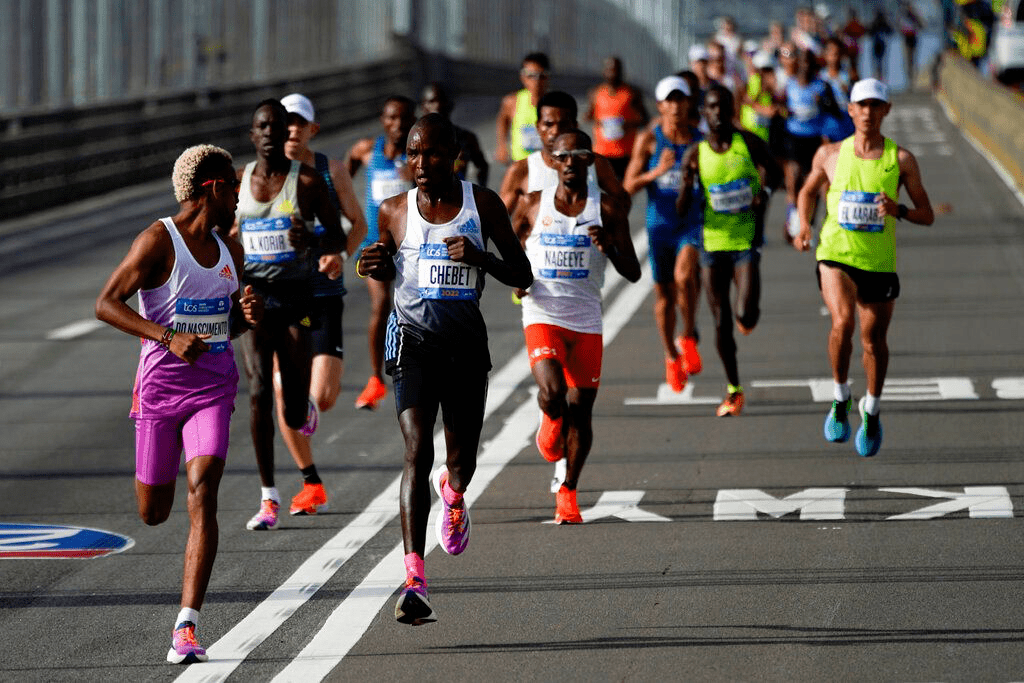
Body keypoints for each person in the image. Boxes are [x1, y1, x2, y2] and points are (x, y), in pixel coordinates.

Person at [357, 114, 533, 625]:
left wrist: (481, 257)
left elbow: (521, 274)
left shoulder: (484, 205)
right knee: (416, 447)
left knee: (461, 462)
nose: (420, 164)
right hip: (412, 341)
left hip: (464, 347)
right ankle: (415, 579)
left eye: (431, 154)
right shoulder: (394, 209)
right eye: (413, 154)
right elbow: (384, 263)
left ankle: (453, 493)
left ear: (453, 154)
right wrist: (373, 264)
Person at [95, 144, 263, 663]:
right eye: (234, 186)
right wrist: (166, 337)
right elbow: (106, 303)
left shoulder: (230, 250)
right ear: (212, 187)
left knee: (204, 485)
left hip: (214, 384)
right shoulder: (157, 240)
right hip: (160, 389)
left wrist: (245, 314)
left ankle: (186, 625)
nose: (241, 196)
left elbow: (224, 323)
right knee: (153, 511)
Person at [794, 78, 934, 456]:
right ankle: (840, 396)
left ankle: (870, 408)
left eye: (876, 105)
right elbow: (807, 191)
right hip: (836, 253)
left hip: (878, 262)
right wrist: (803, 224)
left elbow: (927, 215)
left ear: (886, 110)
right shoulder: (829, 154)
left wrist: (899, 210)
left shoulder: (900, 160)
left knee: (873, 343)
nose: (868, 112)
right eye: (862, 105)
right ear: (851, 111)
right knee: (843, 323)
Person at [511, 130, 640, 522]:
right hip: (543, 313)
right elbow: (511, 245)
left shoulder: (609, 209)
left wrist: (611, 248)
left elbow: (633, 272)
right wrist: (517, 277)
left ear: (589, 161)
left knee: (582, 411)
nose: (569, 162)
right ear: (551, 161)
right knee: (552, 392)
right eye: (561, 156)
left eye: (577, 155)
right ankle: (550, 417)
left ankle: (568, 490)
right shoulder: (534, 204)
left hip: (586, 319)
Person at [233, 99, 345, 531]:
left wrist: (311, 238)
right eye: (259, 127)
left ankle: (304, 414)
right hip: (256, 299)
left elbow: (335, 234)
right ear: (252, 135)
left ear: (285, 135)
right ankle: (269, 497)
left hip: (298, 300)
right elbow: (223, 229)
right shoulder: (240, 180)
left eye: (274, 127)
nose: (267, 134)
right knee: (260, 389)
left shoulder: (308, 182)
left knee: (296, 411)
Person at [278, 93, 368, 514]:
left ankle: (306, 409)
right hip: (280, 296)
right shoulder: (261, 176)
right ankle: (310, 481)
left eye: (299, 123)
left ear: (312, 129)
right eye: (285, 122)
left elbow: (359, 223)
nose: (292, 129)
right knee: (282, 388)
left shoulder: (330, 171)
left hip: (325, 293)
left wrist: (342, 256)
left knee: (323, 398)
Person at [676, 85, 782, 417]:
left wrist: (762, 192)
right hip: (713, 244)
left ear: (731, 110)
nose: (718, 113)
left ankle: (747, 317)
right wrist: (686, 183)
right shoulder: (695, 154)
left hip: (746, 241)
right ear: (703, 113)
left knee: (745, 314)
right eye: (711, 108)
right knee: (721, 319)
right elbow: (682, 210)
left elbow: (775, 174)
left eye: (723, 107)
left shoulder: (748, 143)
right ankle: (733, 389)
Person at [624, 76, 704, 394]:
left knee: (685, 278)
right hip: (659, 227)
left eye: (680, 99)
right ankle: (671, 356)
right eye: (668, 101)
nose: (675, 106)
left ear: (688, 103)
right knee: (664, 297)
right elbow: (627, 186)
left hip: (691, 224)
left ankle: (687, 335)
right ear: (659, 106)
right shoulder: (649, 139)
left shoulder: (701, 139)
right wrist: (656, 173)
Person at [346, 96, 417, 410]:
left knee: (409, 312)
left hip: (410, 248)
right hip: (373, 246)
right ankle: (375, 379)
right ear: (382, 119)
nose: (398, 125)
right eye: (391, 118)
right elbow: (338, 180)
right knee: (380, 305)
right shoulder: (366, 150)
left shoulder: (416, 157)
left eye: (404, 119)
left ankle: (410, 370)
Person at [500, 90, 630, 218]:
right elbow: (498, 219)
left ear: (575, 126)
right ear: (538, 126)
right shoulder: (521, 170)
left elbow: (622, 200)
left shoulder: (595, 163)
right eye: (548, 124)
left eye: (563, 124)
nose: (555, 131)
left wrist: (610, 231)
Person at [782, 48, 840, 243]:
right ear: (797, 63)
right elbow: (779, 105)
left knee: (812, 184)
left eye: (809, 62)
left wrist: (822, 102)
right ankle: (792, 219)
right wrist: (783, 110)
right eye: (802, 61)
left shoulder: (822, 86)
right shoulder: (788, 84)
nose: (805, 66)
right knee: (793, 180)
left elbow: (834, 110)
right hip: (793, 137)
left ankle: (808, 224)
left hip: (815, 138)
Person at [584, 56, 649, 179]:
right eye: (609, 69)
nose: (613, 73)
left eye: (616, 69)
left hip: (625, 153)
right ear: (604, 71)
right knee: (603, 193)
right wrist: (599, 122)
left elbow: (645, 120)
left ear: (621, 71)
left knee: (623, 191)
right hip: (602, 153)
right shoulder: (595, 93)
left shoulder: (632, 93)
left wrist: (628, 125)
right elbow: (589, 116)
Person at [420, 82, 490, 187]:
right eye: (432, 101)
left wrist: (481, 190)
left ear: (450, 104)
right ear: (423, 106)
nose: (438, 106)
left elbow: (482, 165)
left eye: (442, 100)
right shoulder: (414, 139)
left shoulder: (465, 137)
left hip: (456, 199)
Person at [495, 52, 551, 164]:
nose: (536, 81)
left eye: (541, 76)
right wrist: (501, 145)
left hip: (547, 164)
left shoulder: (555, 103)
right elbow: (502, 120)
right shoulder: (512, 101)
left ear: (547, 77)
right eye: (530, 75)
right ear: (522, 77)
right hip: (520, 164)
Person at [869, 10, 893, 81]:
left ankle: (880, 78)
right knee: (878, 64)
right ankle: (879, 78)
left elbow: (890, 31)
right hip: (878, 46)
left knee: (879, 64)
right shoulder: (877, 23)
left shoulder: (881, 23)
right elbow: (870, 32)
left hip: (880, 46)